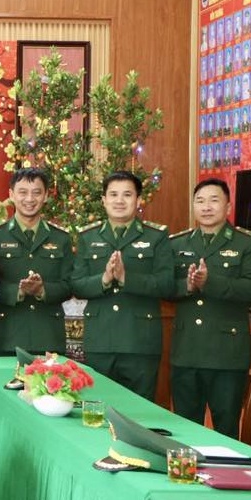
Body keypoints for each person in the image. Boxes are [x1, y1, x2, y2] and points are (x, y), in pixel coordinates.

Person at [169, 178, 251, 438]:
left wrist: (209, 282)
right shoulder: (177, 244)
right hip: (186, 351)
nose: (206, 207)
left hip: (226, 355)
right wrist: (188, 285)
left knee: (226, 429)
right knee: (184, 431)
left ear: (228, 206)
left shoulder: (247, 243)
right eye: (200, 201)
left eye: (214, 200)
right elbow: (164, 288)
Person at [71, 171, 173, 401]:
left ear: (138, 200)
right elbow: (76, 284)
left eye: (127, 195)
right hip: (100, 341)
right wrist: (105, 279)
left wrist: (127, 279)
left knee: (139, 412)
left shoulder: (156, 236)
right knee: (97, 408)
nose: (119, 200)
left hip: (140, 342)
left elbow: (167, 284)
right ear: (103, 200)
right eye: (113, 194)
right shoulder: (88, 236)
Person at [0, 168, 72, 355]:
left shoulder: (61, 238)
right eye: (22, 192)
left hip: (49, 336)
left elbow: (69, 284)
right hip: (7, 336)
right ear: (11, 195)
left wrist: (42, 290)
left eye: (36, 192)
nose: (29, 199)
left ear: (46, 196)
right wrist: (18, 291)